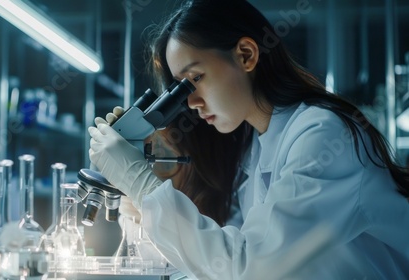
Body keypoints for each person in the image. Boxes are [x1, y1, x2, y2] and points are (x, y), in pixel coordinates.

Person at [88, 0, 409, 279]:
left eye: (195, 79)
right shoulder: (259, 147)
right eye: (180, 89)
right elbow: (222, 257)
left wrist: (145, 187)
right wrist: (141, 204)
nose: (191, 102)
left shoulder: (323, 135)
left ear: (245, 55)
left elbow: (249, 269)